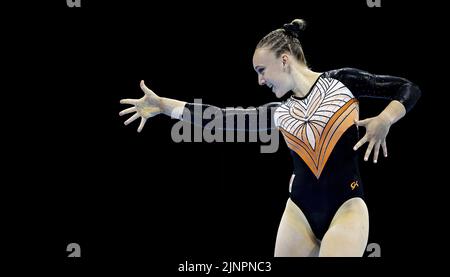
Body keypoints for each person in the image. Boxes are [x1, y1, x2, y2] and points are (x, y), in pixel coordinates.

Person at [119, 19, 420, 257]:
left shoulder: (342, 82)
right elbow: (219, 117)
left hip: (346, 208)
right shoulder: (279, 112)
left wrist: (385, 119)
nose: (260, 80)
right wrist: (163, 105)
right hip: (298, 211)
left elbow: (407, 88)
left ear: (285, 60)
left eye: (261, 70)